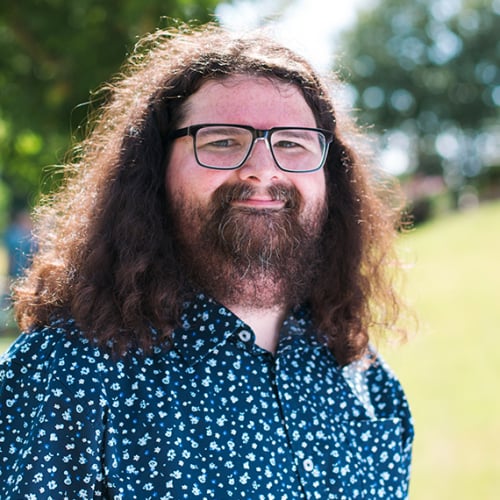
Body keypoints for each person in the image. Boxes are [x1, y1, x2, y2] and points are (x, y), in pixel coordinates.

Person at [0, 24, 414, 499]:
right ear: (155, 168)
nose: (263, 168)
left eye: (292, 143)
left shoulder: (365, 382)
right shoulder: (68, 374)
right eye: (222, 141)